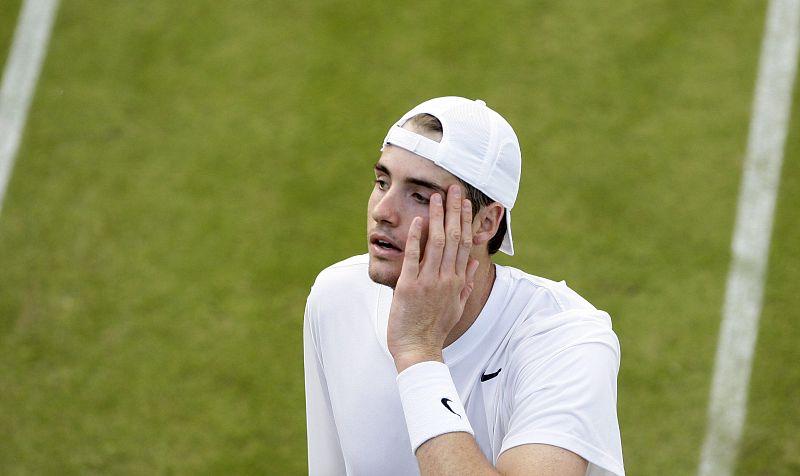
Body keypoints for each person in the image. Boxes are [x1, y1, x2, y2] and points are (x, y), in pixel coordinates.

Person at [304, 96, 624, 475]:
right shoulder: (337, 297)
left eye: (420, 196)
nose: (382, 211)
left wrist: (419, 352)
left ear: (486, 223)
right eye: (382, 182)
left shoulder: (566, 340)